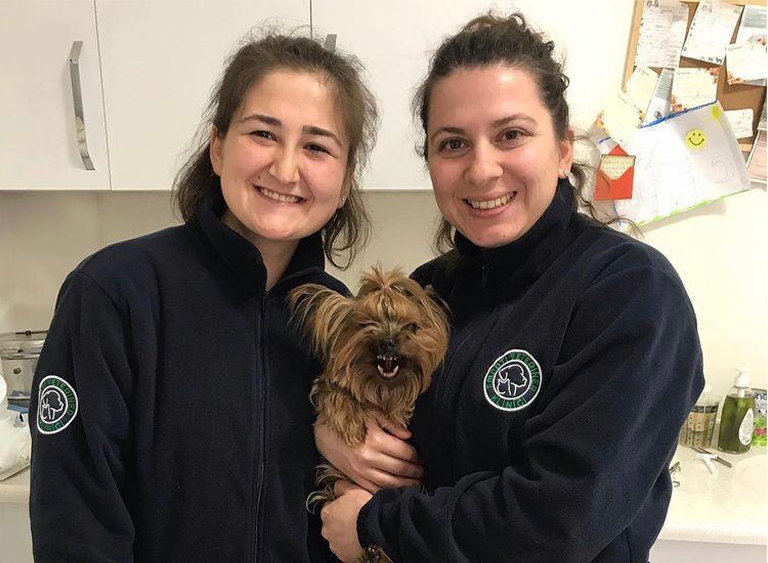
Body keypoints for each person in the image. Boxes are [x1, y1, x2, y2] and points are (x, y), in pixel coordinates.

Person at [315, 13, 703, 563]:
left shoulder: (631, 293)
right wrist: (334, 433)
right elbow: (367, 399)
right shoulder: (427, 292)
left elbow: (557, 520)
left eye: (511, 135)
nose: (481, 169)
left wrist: (377, 524)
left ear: (564, 148)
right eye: (453, 143)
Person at [29, 32, 383, 562]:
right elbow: (76, 523)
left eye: (316, 146)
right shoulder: (114, 294)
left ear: (346, 178)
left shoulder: (344, 324)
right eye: (263, 134)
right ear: (217, 148)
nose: (286, 169)